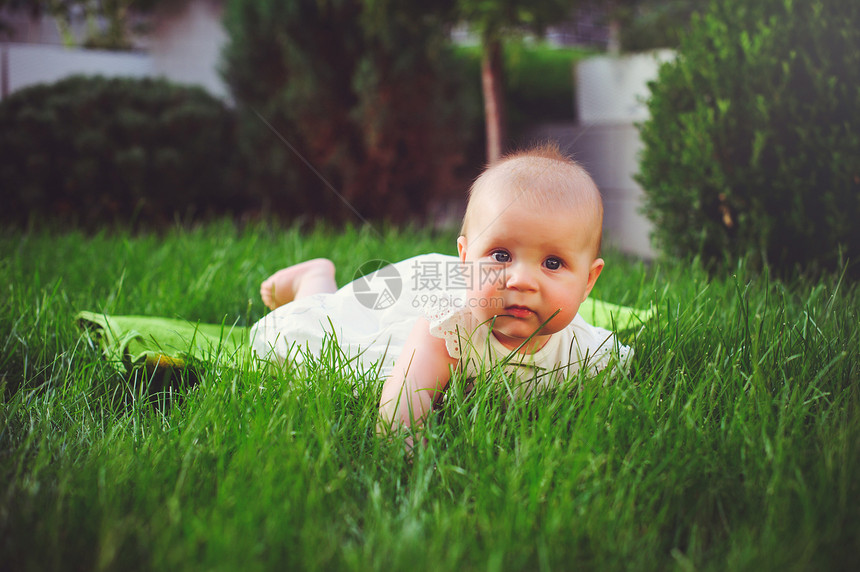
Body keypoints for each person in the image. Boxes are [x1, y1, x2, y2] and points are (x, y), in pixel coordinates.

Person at [250, 143, 631, 438]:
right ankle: (312, 279)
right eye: (500, 255)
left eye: (552, 263)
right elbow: (400, 414)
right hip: (404, 325)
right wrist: (408, 451)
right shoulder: (448, 329)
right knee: (319, 325)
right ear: (466, 260)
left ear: (588, 282)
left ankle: (318, 278)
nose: (521, 281)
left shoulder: (588, 352)